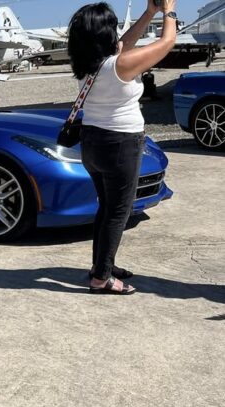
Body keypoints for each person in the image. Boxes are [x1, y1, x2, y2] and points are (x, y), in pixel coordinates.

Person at [67, 0, 177, 295]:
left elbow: (124, 44)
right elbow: (167, 42)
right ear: (104, 33)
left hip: (93, 141)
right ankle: (101, 278)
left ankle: (102, 264)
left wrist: (149, 13)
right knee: (119, 211)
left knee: (107, 208)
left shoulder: (89, 64)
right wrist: (169, 10)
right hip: (119, 144)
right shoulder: (119, 65)